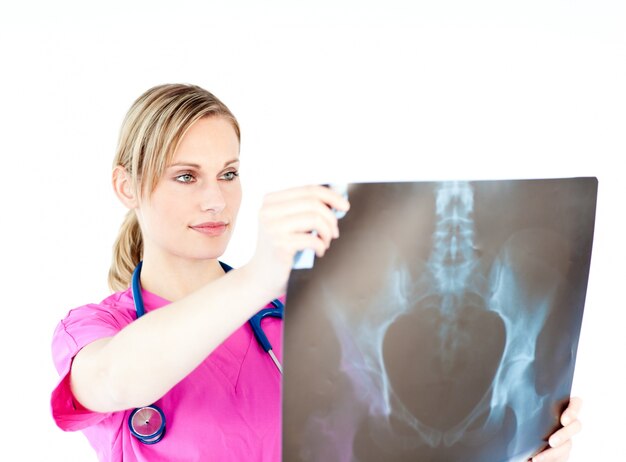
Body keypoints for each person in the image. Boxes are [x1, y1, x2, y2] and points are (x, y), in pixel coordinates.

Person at [50, 83, 581, 462]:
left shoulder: (300, 319)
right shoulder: (96, 330)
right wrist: (261, 275)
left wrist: (512, 454)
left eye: (229, 173)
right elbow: (113, 381)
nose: (216, 199)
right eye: (186, 176)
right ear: (126, 186)